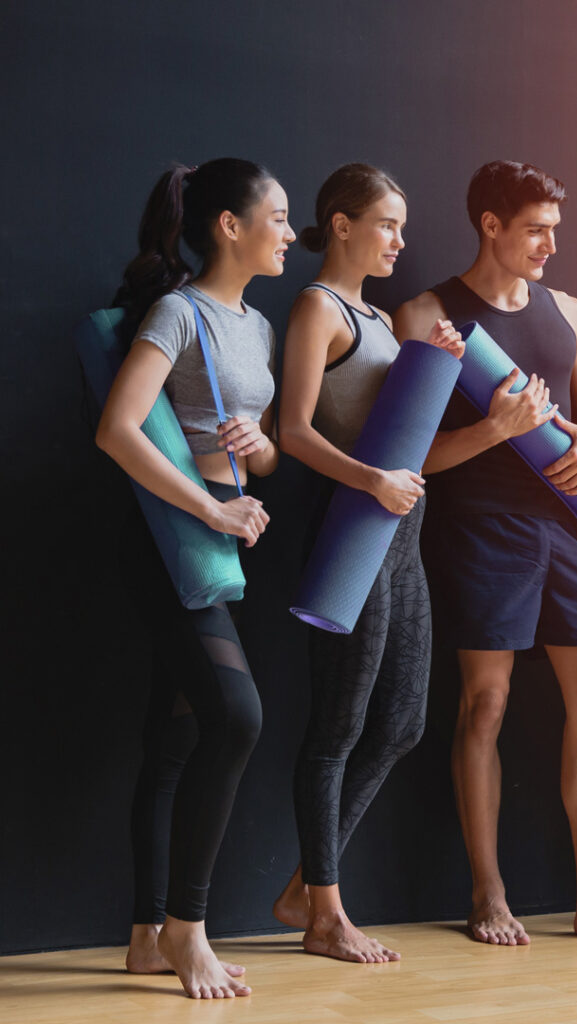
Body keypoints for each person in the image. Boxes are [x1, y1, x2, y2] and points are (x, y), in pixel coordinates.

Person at [394, 160, 577, 947]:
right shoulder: (427, 315)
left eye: (556, 229)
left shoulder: (569, 314)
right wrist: (496, 430)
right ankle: (487, 895)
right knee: (484, 706)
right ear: (490, 224)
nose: (551, 244)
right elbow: (407, 457)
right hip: (483, 529)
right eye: (535, 230)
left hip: (574, 534)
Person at [97, 158, 293, 997]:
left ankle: (147, 936)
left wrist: (262, 450)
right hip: (170, 535)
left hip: (223, 532)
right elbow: (117, 429)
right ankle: (188, 928)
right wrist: (212, 511)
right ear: (229, 226)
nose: (289, 233)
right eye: (277, 217)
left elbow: (269, 449)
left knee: (176, 737)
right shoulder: (178, 314)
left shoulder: (256, 325)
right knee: (237, 719)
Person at [269, 164, 462, 963]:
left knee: (405, 722)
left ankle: (303, 886)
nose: (399, 240)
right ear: (341, 225)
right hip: (350, 530)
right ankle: (325, 912)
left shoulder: (381, 318)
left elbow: (408, 440)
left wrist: (437, 365)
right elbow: (294, 432)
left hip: (402, 539)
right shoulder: (318, 307)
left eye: (402, 226)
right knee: (338, 727)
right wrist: (371, 479)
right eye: (387, 224)